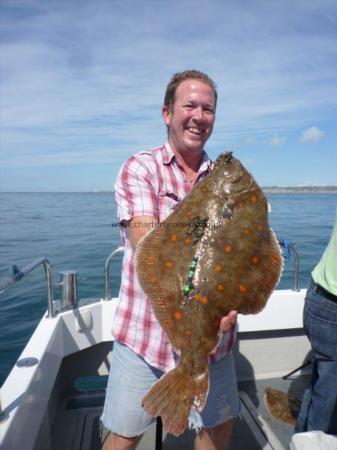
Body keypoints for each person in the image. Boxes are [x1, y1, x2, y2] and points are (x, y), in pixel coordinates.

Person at [100, 70, 239, 450]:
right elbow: (150, 250)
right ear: (167, 113)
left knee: (217, 429)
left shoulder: (226, 180)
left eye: (208, 109)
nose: (198, 116)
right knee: (124, 436)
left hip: (215, 341)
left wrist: (230, 303)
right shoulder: (141, 169)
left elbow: (240, 252)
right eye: (189, 105)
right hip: (144, 338)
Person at [295, 210, 337, 435]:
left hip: (321, 297)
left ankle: (303, 440)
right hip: (331, 305)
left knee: (322, 391)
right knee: (328, 401)